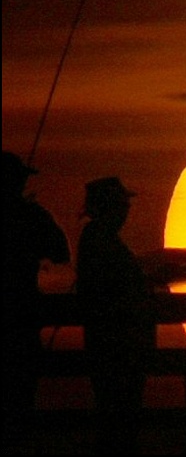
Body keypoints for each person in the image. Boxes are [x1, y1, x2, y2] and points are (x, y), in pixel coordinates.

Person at [76, 176, 156, 455]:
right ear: (110, 207)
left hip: (109, 340)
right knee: (120, 409)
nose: (126, 211)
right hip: (117, 342)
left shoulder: (97, 237)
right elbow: (113, 285)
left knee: (114, 409)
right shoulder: (101, 239)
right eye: (122, 205)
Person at [2, 151, 71, 452]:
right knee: (20, 397)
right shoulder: (31, 216)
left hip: (20, 318)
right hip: (20, 319)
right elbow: (60, 253)